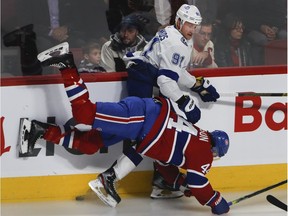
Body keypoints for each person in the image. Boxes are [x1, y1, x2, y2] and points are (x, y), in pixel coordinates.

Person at [20, 44, 230, 215]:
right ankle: (66, 63)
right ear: (214, 150)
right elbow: (199, 182)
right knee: (85, 114)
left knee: (91, 144)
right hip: (143, 118)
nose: (212, 158)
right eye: (215, 155)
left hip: (145, 126)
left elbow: (164, 162)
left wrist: (181, 184)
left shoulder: (193, 140)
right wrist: (216, 202)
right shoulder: (203, 154)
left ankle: (40, 131)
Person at [99, 4, 220, 202]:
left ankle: (157, 180)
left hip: (144, 76)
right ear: (179, 21)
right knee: (145, 135)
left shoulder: (176, 34)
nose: (193, 29)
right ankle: (113, 176)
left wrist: (197, 84)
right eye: (190, 24)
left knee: (154, 134)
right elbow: (165, 81)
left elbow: (174, 70)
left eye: (195, 25)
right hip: (143, 80)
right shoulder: (178, 43)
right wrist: (185, 101)